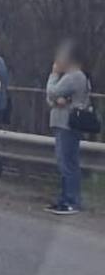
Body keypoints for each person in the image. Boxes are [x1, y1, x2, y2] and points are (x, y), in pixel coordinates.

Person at [45, 40, 90, 216]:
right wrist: (57, 100)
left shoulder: (74, 76)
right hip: (61, 123)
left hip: (67, 125)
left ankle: (72, 201)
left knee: (68, 163)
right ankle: (64, 199)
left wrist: (53, 75)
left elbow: (51, 92)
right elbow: (51, 99)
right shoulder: (68, 77)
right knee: (63, 162)